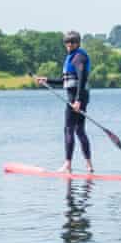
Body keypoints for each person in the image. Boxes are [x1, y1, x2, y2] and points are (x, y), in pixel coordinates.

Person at [35, 31, 94, 173]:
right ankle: (89, 166)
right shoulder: (71, 57)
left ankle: (68, 165)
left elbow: (82, 79)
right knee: (79, 130)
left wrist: (78, 100)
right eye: (67, 42)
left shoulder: (79, 57)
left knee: (68, 129)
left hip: (77, 98)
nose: (69, 45)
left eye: (72, 42)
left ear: (78, 43)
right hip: (79, 98)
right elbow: (65, 81)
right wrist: (47, 80)